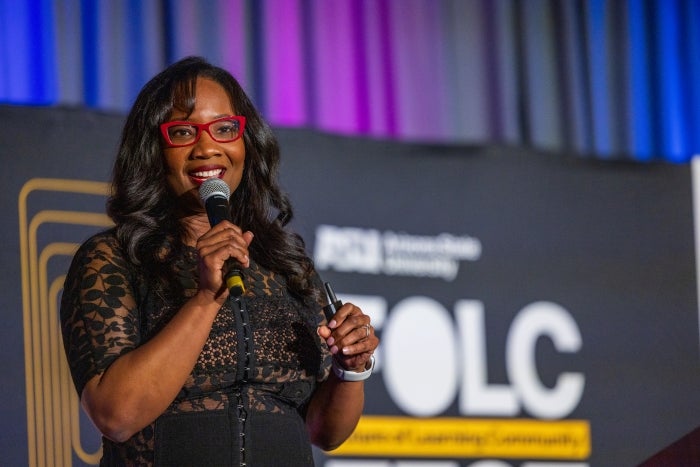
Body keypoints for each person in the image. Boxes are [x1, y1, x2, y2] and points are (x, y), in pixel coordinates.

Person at [60, 56, 379, 466]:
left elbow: (324, 432)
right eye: (183, 132)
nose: (207, 147)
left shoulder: (286, 265)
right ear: (153, 149)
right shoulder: (114, 258)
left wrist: (349, 370)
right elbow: (116, 415)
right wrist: (206, 297)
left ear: (246, 142)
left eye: (225, 129)